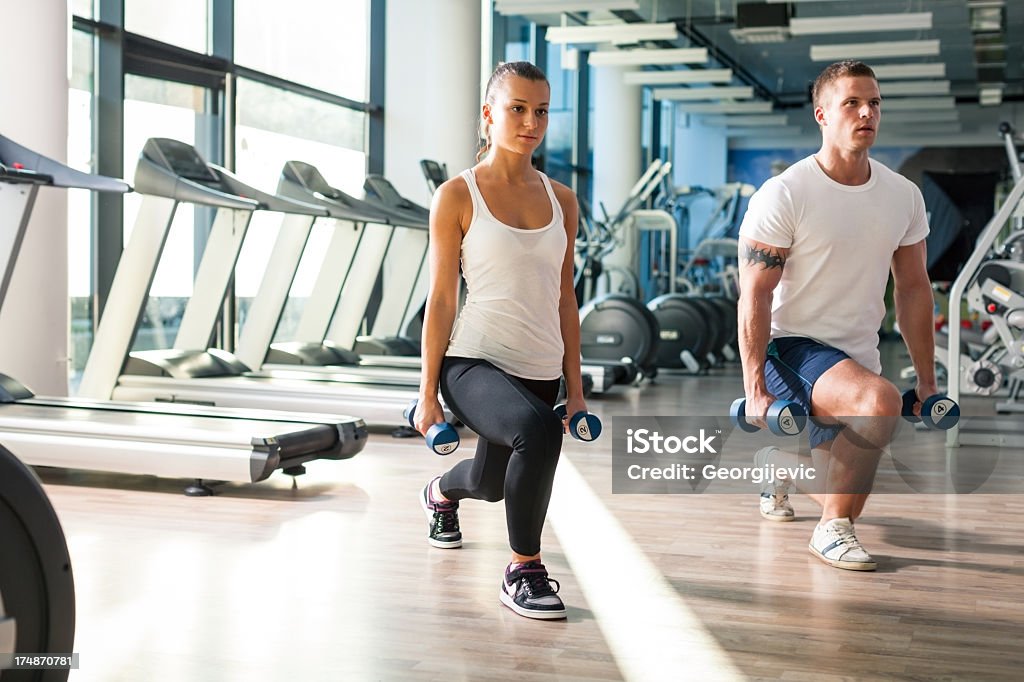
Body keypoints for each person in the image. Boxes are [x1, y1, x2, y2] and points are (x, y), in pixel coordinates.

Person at [737, 60, 938, 571]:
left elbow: (913, 288)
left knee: (845, 472)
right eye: (852, 102)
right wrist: (756, 387)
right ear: (822, 114)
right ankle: (832, 532)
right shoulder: (786, 193)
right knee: (878, 402)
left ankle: (779, 466)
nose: (867, 111)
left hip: (855, 356)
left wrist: (930, 383)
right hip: (791, 349)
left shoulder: (902, 195)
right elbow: (755, 295)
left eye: (874, 102)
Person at [413, 61, 587, 619]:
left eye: (540, 111)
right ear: (488, 115)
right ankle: (524, 568)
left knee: (489, 483)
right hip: (473, 361)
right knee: (536, 434)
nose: (530, 121)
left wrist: (576, 389)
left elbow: (566, 298)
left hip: (539, 367)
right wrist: (426, 395)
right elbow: (441, 300)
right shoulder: (457, 195)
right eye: (517, 108)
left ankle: (441, 492)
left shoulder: (562, 199)